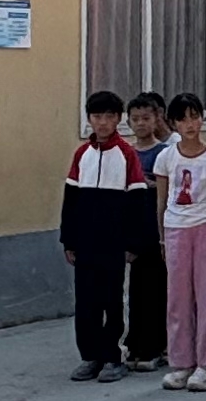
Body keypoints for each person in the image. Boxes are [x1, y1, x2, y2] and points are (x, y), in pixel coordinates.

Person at [148, 92, 206, 391]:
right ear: (173, 123)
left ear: (202, 118)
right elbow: (161, 200)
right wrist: (161, 238)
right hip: (175, 230)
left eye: (194, 116)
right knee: (178, 298)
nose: (190, 124)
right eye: (182, 119)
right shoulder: (166, 157)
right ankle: (182, 361)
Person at [58, 91, 144, 382]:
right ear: (89, 120)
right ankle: (90, 356)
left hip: (114, 243)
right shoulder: (82, 154)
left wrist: (132, 243)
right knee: (86, 302)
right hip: (85, 242)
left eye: (109, 117)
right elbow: (70, 200)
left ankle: (112, 357)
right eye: (97, 117)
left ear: (118, 120)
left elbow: (137, 203)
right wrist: (68, 241)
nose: (103, 123)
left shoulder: (127, 154)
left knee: (111, 301)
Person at [122, 92, 171, 374]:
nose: (141, 124)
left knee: (156, 290)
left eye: (146, 118)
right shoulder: (126, 153)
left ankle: (154, 347)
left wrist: (151, 185)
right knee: (135, 292)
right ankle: (135, 343)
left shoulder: (164, 153)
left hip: (158, 230)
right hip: (133, 231)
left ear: (157, 120)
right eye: (136, 119)